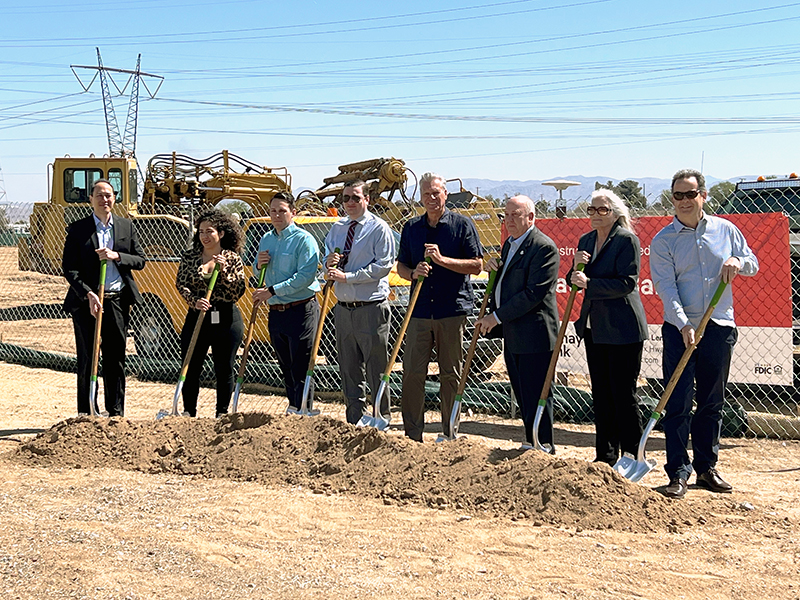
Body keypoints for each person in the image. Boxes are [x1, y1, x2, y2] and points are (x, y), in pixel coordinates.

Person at [651, 168, 759, 499]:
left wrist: (737, 260)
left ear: (703, 196)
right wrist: (683, 323)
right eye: (678, 195)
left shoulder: (726, 230)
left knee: (712, 401)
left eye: (690, 194)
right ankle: (677, 472)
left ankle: (706, 468)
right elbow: (666, 287)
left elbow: (752, 262)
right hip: (679, 329)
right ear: (672, 199)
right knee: (678, 401)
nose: (684, 201)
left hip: (718, 325)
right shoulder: (663, 241)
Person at [396, 172, 482, 442]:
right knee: (412, 372)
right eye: (426, 194)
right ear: (420, 198)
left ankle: (449, 433)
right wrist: (413, 273)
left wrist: (442, 260)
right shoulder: (411, 228)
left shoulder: (462, 225)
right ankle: (413, 434)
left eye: (436, 193)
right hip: (419, 311)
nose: (432, 198)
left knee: (450, 373)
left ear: (445, 194)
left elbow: (477, 265)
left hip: (451, 310)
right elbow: (401, 266)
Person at [567, 189, 648, 466]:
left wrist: (589, 283)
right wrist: (575, 270)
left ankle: (633, 454)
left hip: (623, 328)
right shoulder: (586, 240)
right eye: (591, 209)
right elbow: (573, 279)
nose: (595, 215)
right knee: (601, 394)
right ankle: (605, 456)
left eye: (602, 210)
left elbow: (627, 283)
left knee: (623, 394)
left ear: (615, 213)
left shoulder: (626, 240)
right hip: (594, 328)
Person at [475, 195, 559, 452]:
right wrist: (495, 268)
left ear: (531, 217)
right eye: (506, 215)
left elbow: (533, 294)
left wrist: (495, 317)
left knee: (537, 392)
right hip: (513, 334)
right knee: (522, 392)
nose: (509, 220)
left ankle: (543, 444)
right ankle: (530, 441)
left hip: (535, 334)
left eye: (515, 215)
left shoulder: (543, 247)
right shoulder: (509, 245)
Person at [62, 179, 146, 416]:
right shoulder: (78, 230)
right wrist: (88, 293)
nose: (104, 199)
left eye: (108, 195)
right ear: (91, 199)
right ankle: (87, 411)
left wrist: (116, 256)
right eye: (99, 195)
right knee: (88, 357)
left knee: (115, 358)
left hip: (117, 300)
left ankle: (116, 413)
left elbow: (140, 260)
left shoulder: (126, 226)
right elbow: (69, 268)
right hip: (87, 303)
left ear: (114, 198)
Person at [324, 181, 396, 424]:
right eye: (345, 198)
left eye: (355, 197)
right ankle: (354, 420)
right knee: (349, 369)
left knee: (376, 368)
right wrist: (328, 264)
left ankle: (381, 418)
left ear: (367, 199)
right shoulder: (337, 228)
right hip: (343, 309)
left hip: (370, 307)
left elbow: (383, 266)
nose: (350, 203)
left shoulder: (379, 228)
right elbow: (326, 259)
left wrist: (349, 277)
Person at [252, 192, 321, 412]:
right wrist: (258, 265)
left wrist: (272, 291)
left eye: (282, 211)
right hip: (276, 311)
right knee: (285, 366)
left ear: (293, 212)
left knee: (301, 366)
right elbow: (257, 271)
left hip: (301, 309)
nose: (276, 215)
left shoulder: (304, 240)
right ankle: (293, 407)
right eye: (273, 211)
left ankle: (304, 410)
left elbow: (305, 277)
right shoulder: (266, 238)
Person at [176, 208, 246, 418]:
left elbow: (237, 291)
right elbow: (181, 284)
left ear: (221, 233)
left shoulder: (232, 258)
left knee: (224, 367)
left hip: (225, 318)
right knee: (190, 365)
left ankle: (222, 414)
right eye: (201, 232)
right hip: (198, 315)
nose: (204, 236)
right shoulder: (190, 256)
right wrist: (194, 301)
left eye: (210, 231)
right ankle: (189, 412)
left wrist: (224, 272)